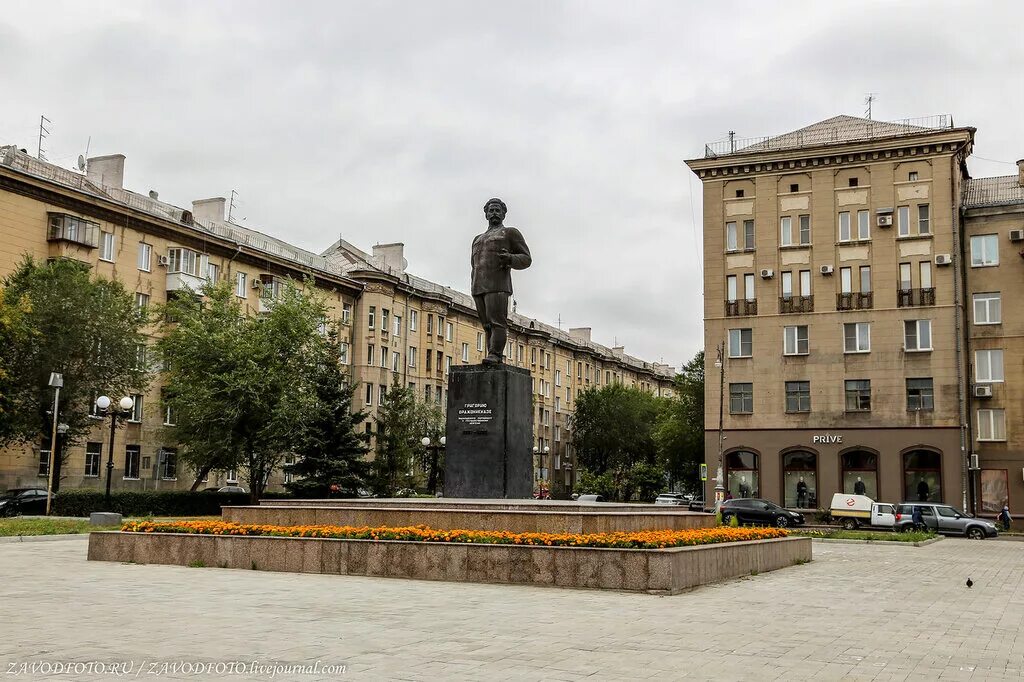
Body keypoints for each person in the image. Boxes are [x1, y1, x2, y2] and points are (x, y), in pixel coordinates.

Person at [471, 198, 532, 365]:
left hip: (498, 285)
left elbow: (526, 259)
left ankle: (496, 354)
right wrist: (473, 285)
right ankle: (491, 354)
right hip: (478, 286)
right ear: (486, 214)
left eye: (497, 210)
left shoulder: (510, 233)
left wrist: (510, 258)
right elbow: (474, 265)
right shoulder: (477, 239)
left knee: (498, 322)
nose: (494, 214)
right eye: (491, 210)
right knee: (487, 325)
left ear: (504, 214)